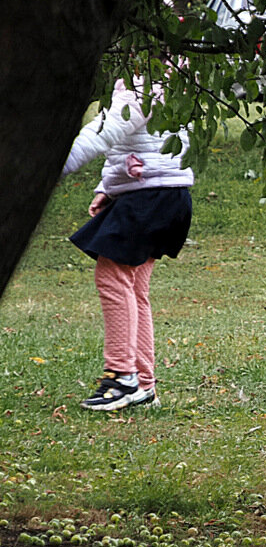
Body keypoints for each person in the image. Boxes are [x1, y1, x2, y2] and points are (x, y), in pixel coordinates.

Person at [60, 74, 194, 411]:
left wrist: (51, 164)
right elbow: (141, 144)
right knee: (134, 286)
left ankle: (122, 377)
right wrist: (108, 188)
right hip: (168, 194)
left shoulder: (141, 85)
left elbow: (104, 132)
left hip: (150, 194)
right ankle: (143, 385)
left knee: (112, 276)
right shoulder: (172, 80)